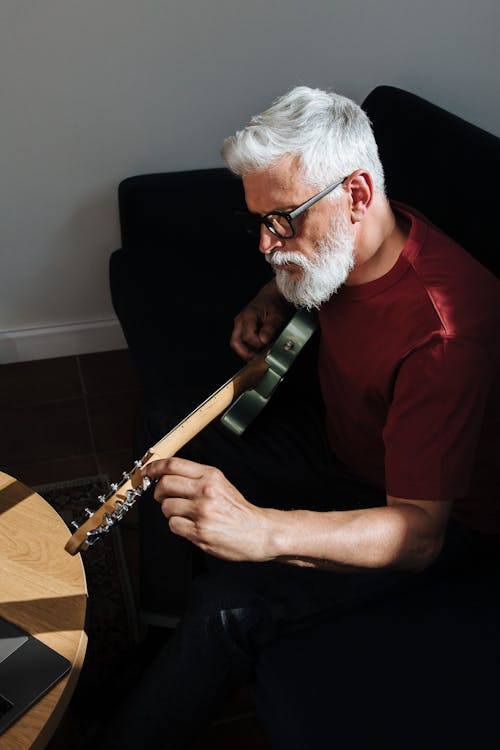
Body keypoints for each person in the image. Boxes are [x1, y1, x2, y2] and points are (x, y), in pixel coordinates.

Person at [98, 86, 500, 749]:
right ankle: (159, 635)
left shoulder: (446, 334)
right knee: (165, 429)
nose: (264, 242)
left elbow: (419, 535)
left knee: (229, 607)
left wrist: (263, 531)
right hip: (347, 448)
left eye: (282, 220)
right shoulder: (362, 232)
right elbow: (311, 276)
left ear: (358, 195)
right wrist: (271, 295)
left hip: (430, 519)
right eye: (258, 220)